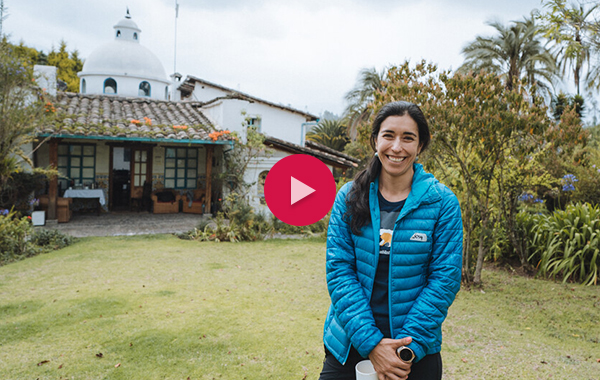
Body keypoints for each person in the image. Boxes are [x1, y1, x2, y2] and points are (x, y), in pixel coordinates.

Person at [319, 101, 463, 380]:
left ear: (420, 146)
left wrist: (402, 352)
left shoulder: (442, 203)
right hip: (350, 341)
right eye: (388, 136)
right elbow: (339, 273)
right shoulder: (349, 197)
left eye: (408, 138)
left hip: (413, 349)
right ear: (375, 141)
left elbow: (444, 279)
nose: (397, 147)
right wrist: (372, 345)